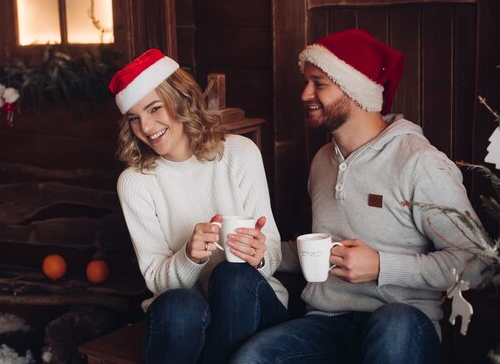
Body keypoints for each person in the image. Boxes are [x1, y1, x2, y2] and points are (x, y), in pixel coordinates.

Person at [229, 29, 488, 364]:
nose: (305, 93)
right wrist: (265, 250)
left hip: (404, 323)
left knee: (393, 326)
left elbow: (478, 261)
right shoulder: (322, 160)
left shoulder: (420, 163)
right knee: (251, 357)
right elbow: (322, 250)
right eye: (306, 82)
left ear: (355, 89)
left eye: (318, 83)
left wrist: (382, 266)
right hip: (328, 323)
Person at [109, 49, 289, 364]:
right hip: (185, 322)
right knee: (179, 305)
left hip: (252, 307)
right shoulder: (135, 183)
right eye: (134, 118)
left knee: (232, 276)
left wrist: (260, 255)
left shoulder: (240, 154)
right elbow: (156, 282)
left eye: (154, 109)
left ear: (182, 100)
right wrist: (189, 257)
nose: (147, 127)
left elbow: (271, 253)